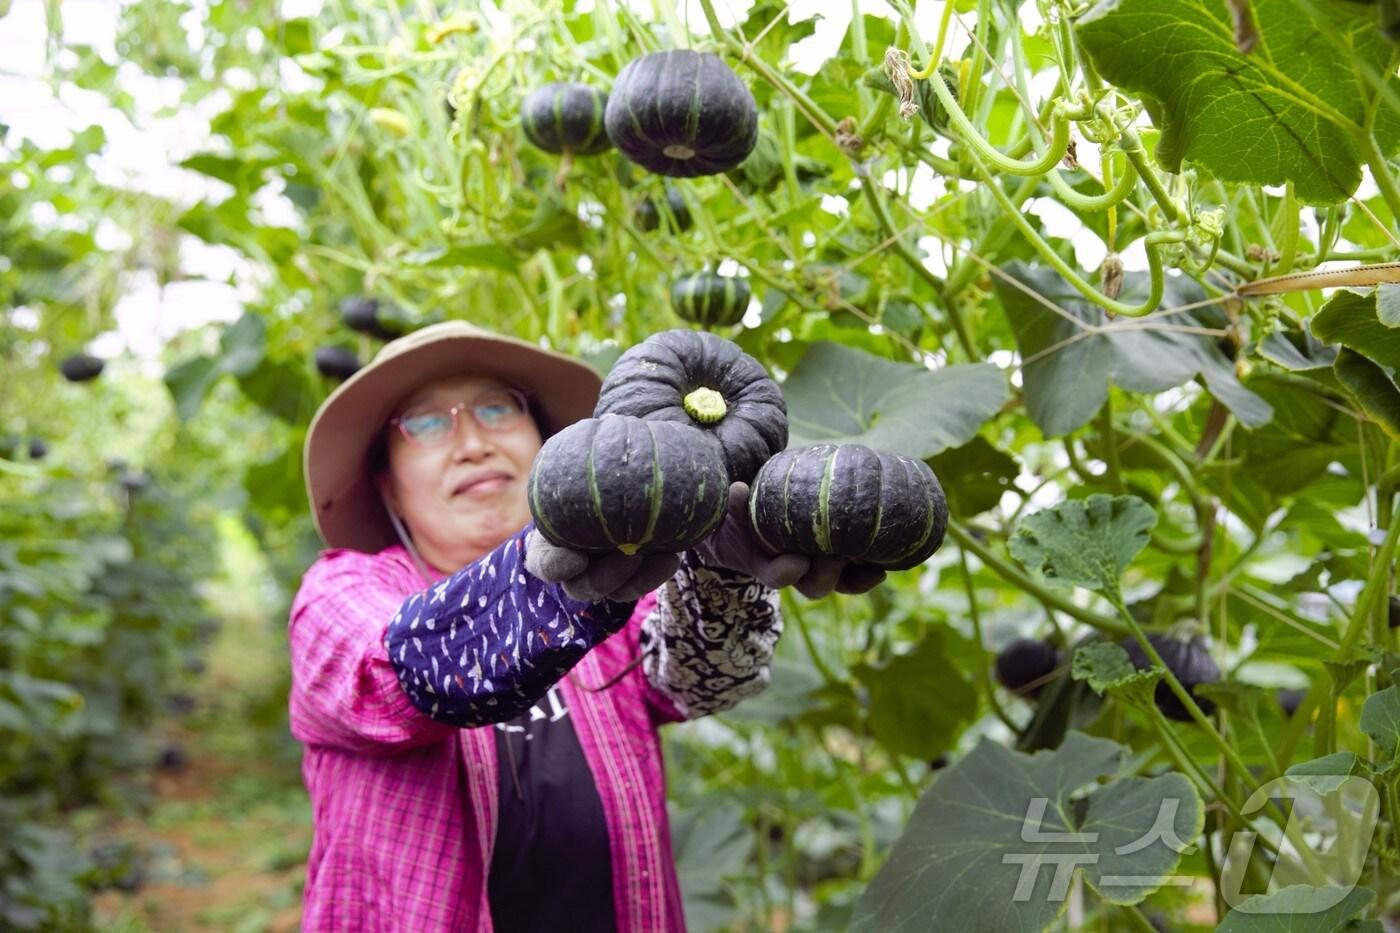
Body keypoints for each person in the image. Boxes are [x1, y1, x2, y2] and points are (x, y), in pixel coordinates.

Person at [287, 320, 885, 932]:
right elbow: (398, 673)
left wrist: (719, 572)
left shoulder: (623, 589)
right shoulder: (339, 592)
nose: (471, 442)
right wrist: (561, 562)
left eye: (497, 408)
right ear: (387, 481)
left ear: (547, 441)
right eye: (427, 423)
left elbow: (702, 683)